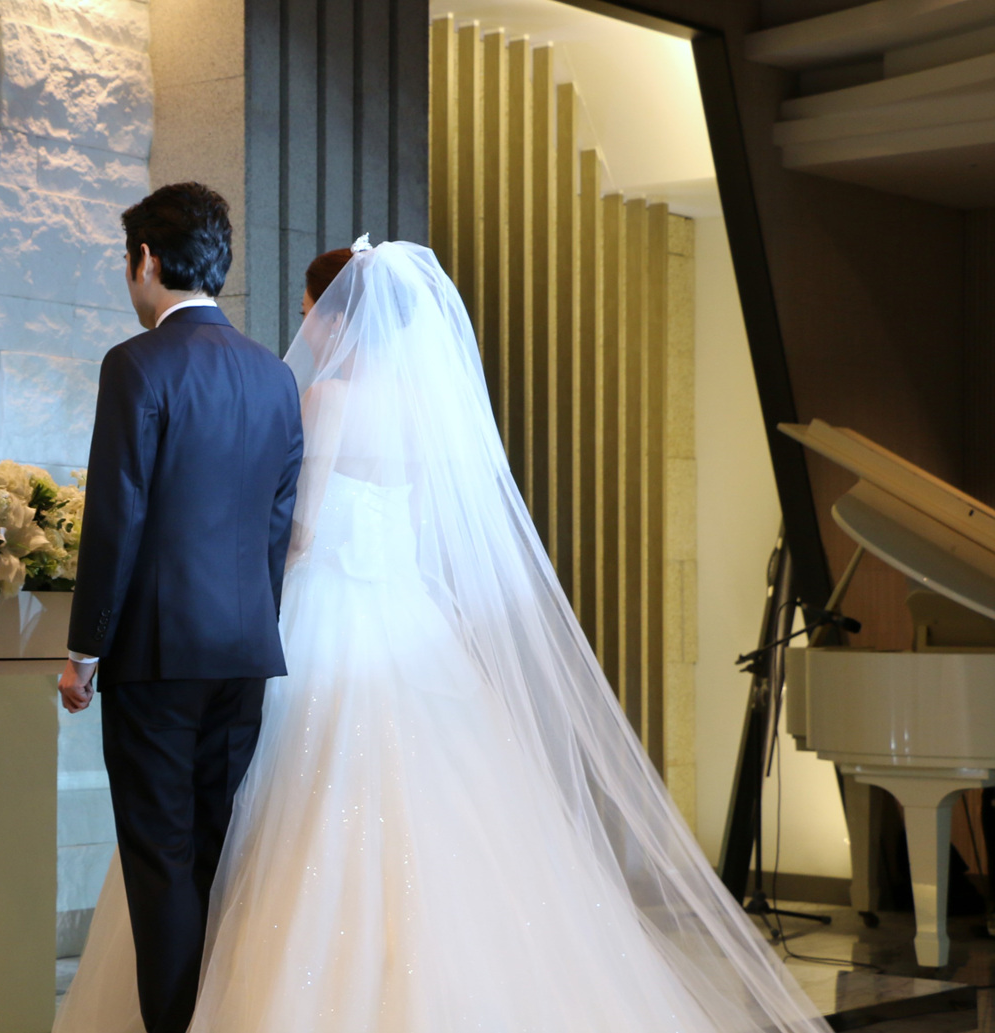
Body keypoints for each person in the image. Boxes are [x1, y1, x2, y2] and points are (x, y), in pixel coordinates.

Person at [54, 240, 834, 1033]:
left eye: (311, 312)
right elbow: (430, 529)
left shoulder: (325, 399)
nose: (308, 326)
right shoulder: (425, 409)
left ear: (339, 319)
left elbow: (301, 529)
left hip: (323, 610)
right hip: (410, 616)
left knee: (252, 813)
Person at [58, 182, 305, 1033]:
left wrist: (85, 649)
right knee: (218, 853)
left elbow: (115, 515)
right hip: (245, 652)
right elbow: (275, 525)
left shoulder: (136, 363)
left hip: (157, 656)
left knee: (160, 859)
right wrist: (254, 623)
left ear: (146, 259)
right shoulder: (275, 376)